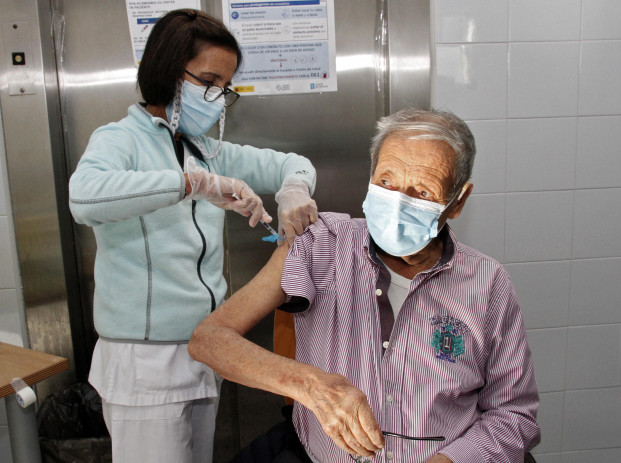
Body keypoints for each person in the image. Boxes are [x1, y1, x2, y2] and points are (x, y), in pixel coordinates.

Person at [189, 107, 541, 463]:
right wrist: (311, 386)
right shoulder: (321, 245)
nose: (399, 202)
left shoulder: (487, 283)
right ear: (371, 172)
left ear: (458, 201)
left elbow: (514, 415)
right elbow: (210, 340)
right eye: (386, 182)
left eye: (422, 191)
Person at [68, 9, 318, 462]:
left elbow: (291, 162)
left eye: (225, 87)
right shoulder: (120, 139)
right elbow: (84, 199)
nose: (217, 97)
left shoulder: (206, 149)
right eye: (208, 81)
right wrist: (192, 183)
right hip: (145, 360)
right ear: (168, 71)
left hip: (206, 347)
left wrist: (294, 189)